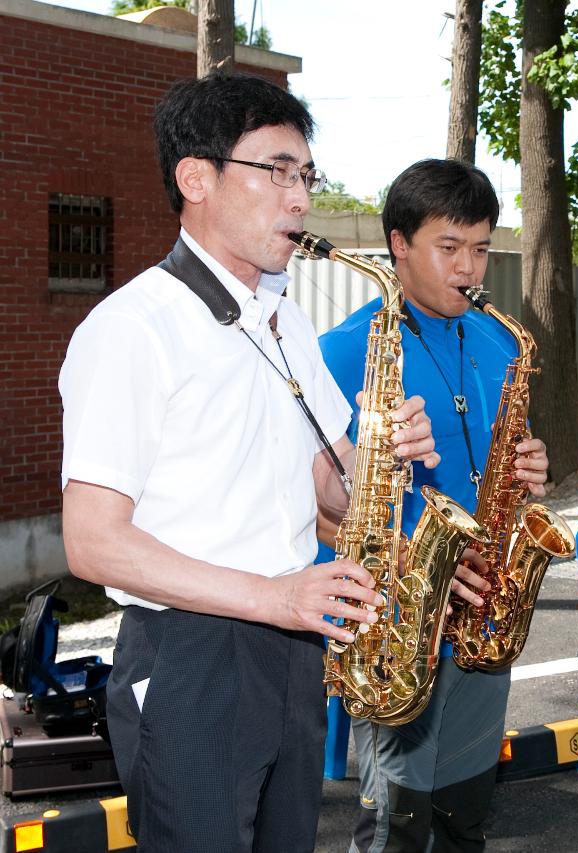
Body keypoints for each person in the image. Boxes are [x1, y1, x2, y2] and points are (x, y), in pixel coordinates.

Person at [59, 73, 438, 852]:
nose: (299, 199)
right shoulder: (133, 327)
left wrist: (380, 461)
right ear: (195, 177)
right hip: (193, 653)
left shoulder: (286, 318)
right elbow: (93, 541)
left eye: (307, 175)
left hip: (292, 645)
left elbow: (329, 494)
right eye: (276, 171)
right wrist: (274, 595)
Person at [318, 159, 549, 853]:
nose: (470, 268)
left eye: (480, 248)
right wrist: (419, 563)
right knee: (397, 824)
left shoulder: (500, 340)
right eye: (450, 248)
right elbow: (322, 509)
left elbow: (498, 454)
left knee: (462, 813)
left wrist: (527, 464)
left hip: (484, 603)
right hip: (401, 617)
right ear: (398, 244)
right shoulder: (343, 351)